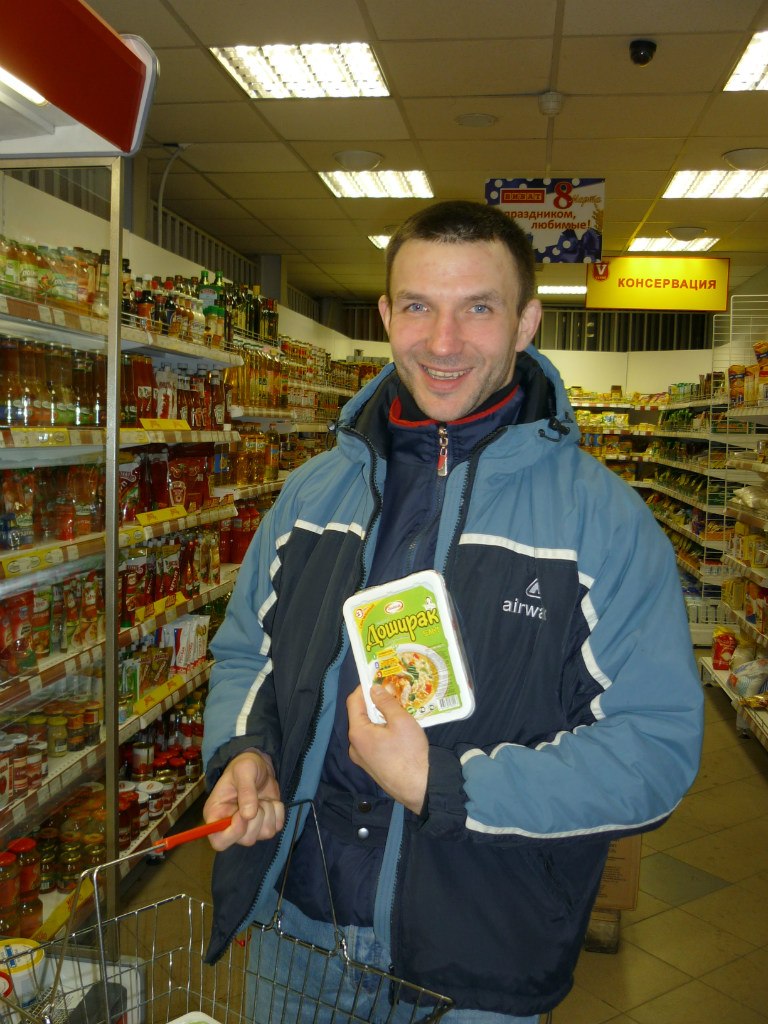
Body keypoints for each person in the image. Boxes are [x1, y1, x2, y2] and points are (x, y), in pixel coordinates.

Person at [201, 199, 704, 1023]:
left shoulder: (604, 523)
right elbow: (243, 656)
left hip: (478, 957)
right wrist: (244, 752)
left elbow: (655, 749)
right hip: (299, 937)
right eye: (418, 306)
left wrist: (447, 786)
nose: (442, 342)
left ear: (526, 323)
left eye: (478, 308)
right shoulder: (311, 495)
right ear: (385, 316)